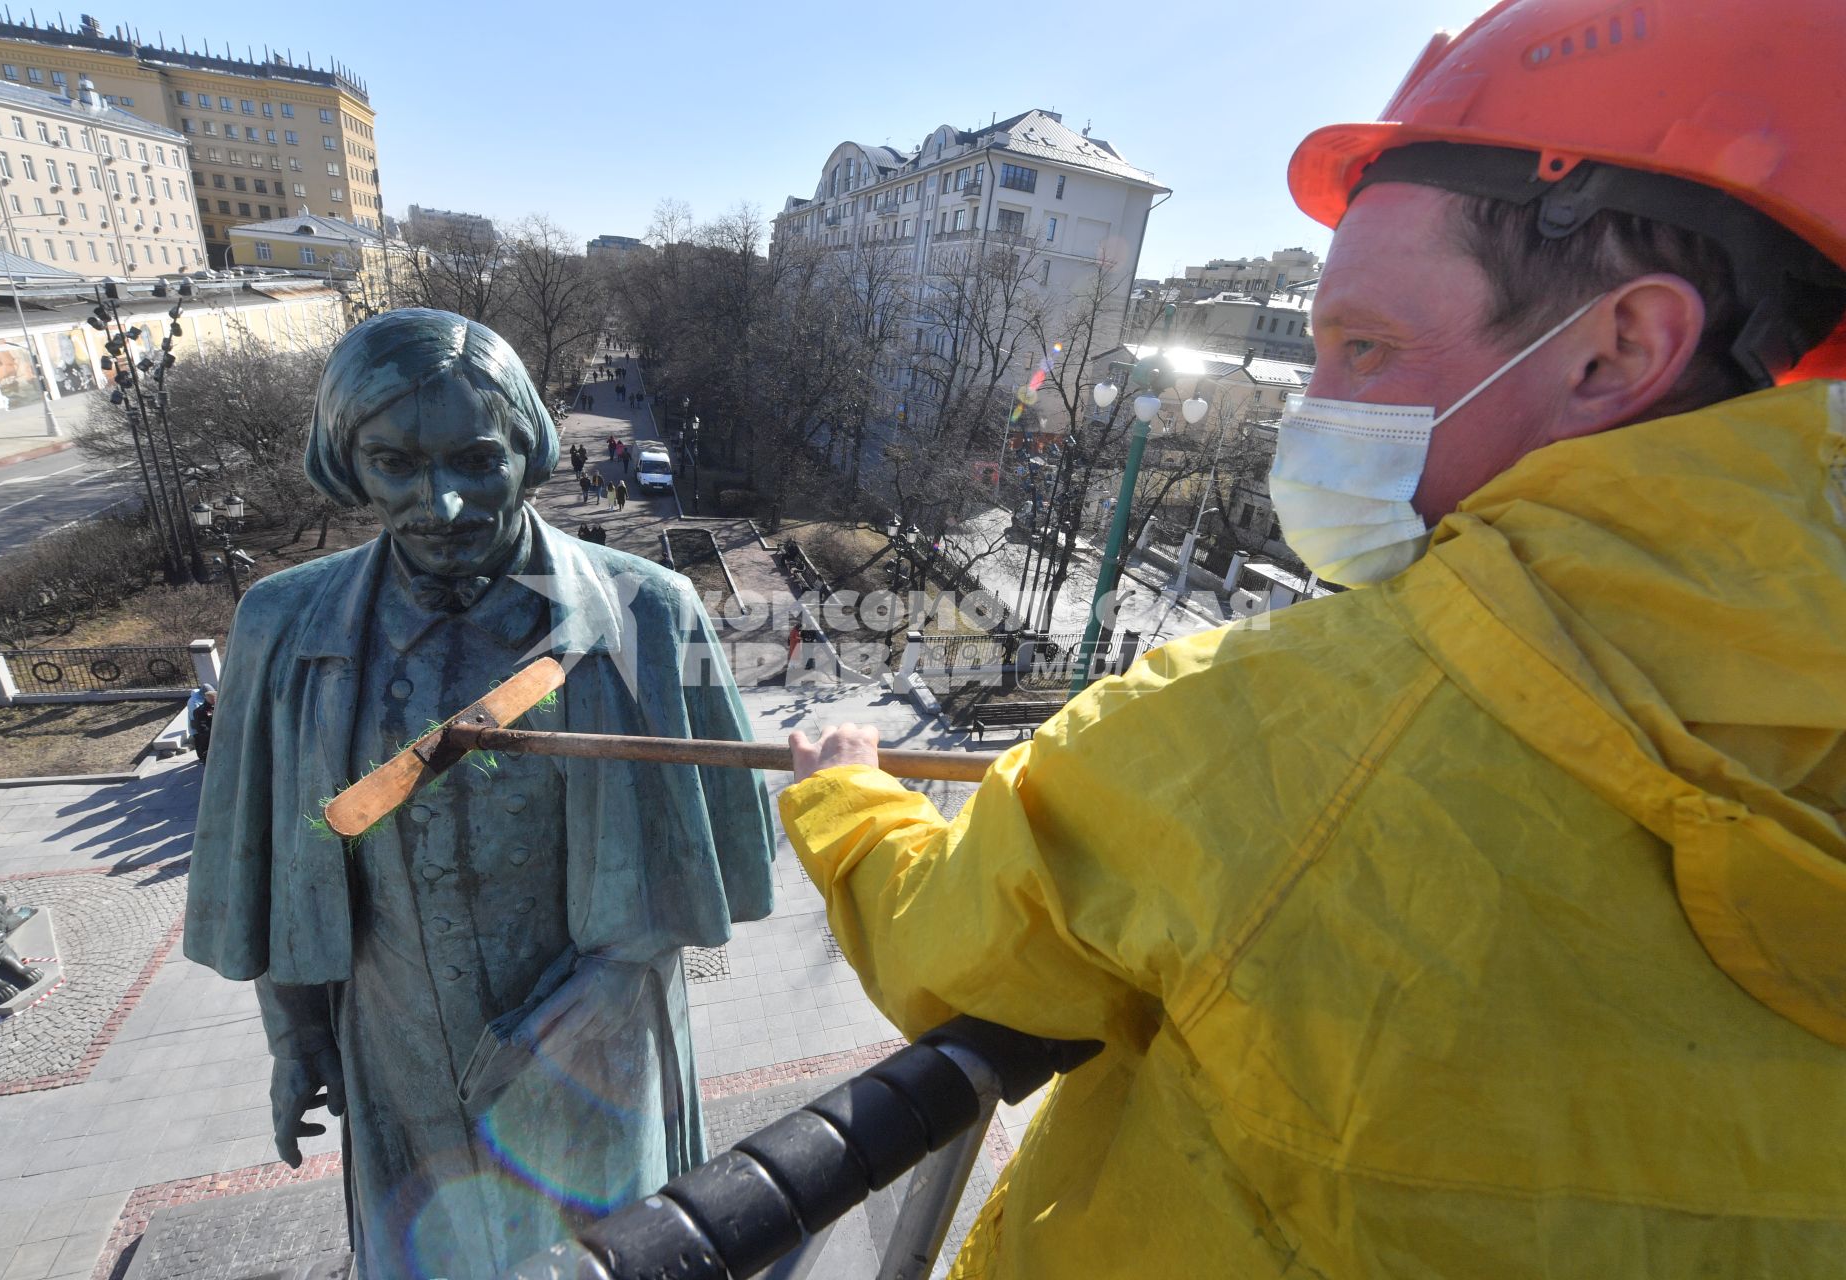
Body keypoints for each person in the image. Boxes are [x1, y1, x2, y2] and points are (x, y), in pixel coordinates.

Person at [784, 2, 1846, 1276]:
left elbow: (949, 943)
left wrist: (845, 794)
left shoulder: (1279, 736)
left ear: (1620, 349)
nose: (1313, 411)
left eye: (1367, 347)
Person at [183, 310, 775, 1279]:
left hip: (594, 1048)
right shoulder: (284, 626)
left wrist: (598, 999)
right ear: (347, 458)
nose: (443, 503)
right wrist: (293, 1036)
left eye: (475, 459)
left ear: (526, 446)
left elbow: (725, 859)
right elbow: (274, 858)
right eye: (395, 463)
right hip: (399, 1046)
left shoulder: (650, 616)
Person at [188, 684, 217, 761]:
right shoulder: (193, 702)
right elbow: (198, 720)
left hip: (206, 730)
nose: (214, 699)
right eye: (211, 697)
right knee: (200, 745)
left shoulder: (213, 705)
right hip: (197, 728)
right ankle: (202, 758)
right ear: (205, 696)